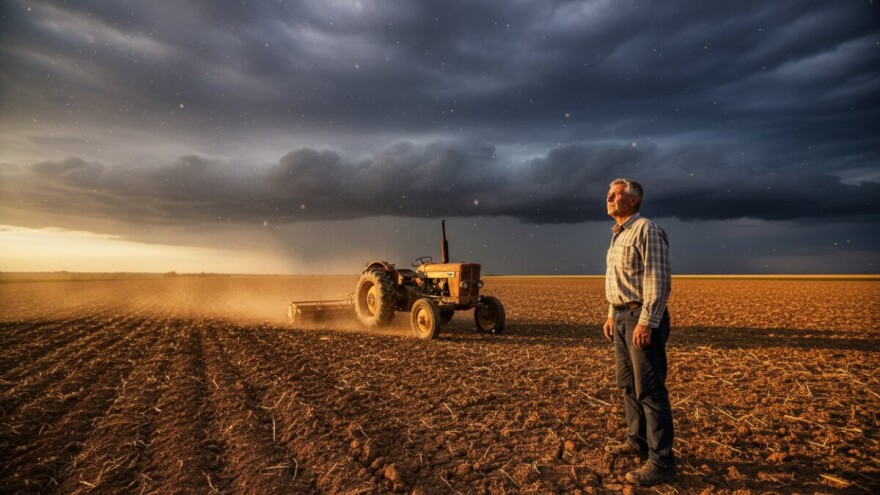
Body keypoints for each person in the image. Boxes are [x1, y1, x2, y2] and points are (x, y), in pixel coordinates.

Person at [602, 178, 675, 486]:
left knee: (650, 388)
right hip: (620, 317)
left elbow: (657, 279)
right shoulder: (618, 235)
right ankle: (637, 441)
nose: (609, 197)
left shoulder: (647, 229)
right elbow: (619, 280)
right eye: (608, 193)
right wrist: (610, 314)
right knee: (629, 385)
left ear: (633, 200)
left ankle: (662, 460)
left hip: (639, 317)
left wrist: (647, 321)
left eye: (616, 194)